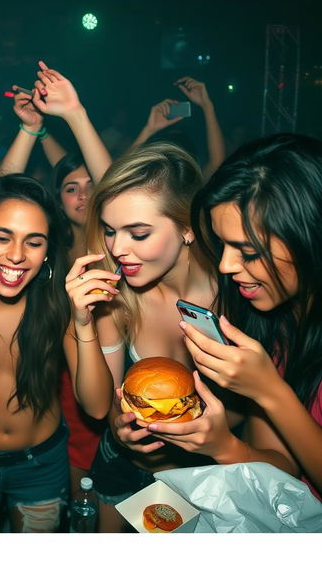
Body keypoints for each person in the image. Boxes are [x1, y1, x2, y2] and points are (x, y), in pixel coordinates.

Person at [147, 133, 322, 500]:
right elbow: (283, 466)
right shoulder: (278, 324)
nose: (226, 265)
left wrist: (270, 390)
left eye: (248, 251)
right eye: (223, 245)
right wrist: (218, 442)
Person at [81, 141, 241, 532]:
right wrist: (121, 428)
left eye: (138, 233)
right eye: (110, 231)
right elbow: (101, 405)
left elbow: (249, 411)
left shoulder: (237, 295)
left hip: (200, 483)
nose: (118, 249)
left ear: (187, 227)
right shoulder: (120, 298)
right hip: (123, 471)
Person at [0, 174, 114, 532]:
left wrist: (83, 322)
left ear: (48, 252)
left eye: (33, 242)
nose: (16, 255)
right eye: (2, 237)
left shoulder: (59, 306)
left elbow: (98, 407)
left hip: (41, 464)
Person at [127, 76, 226, 178]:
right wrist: (149, 129)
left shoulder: (191, 188)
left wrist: (149, 130)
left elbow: (217, 164)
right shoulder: (147, 182)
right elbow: (120, 172)